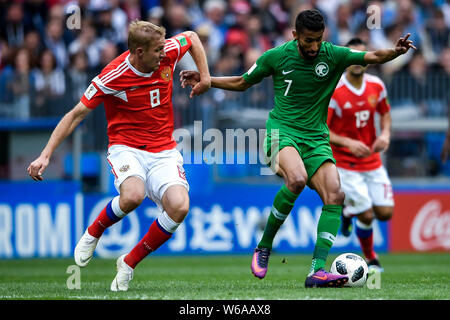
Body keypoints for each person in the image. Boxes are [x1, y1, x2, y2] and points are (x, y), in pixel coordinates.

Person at [180, 9, 415, 288]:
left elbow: (373, 57)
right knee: (297, 179)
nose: (314, 47)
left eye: (318, 39)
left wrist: (396, 52)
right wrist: (208, 81)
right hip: (281, 133)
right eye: (308, 41)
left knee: (335, 195)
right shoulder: (276, 56)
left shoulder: (334, 54)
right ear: (295, 35)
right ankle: (264, 245)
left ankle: (317, 270)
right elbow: (243, 82)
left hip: (316, 138)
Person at [27, 20, 211, 291]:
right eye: (157, 50)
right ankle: (94, 232)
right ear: (139, 52)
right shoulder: (113, 75)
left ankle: (128, 262)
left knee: (180, 206)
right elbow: (76, 114)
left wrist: (205, 77)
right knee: (133, 195)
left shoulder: (167, 51)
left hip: (163, 149)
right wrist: (45, 155)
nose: (164, 53)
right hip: (127, 147)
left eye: (164, 47)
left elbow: (193, 37)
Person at [327, 37, 394, 272]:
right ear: (346, 59)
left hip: (372, 161)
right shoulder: (335, 90)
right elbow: (321, 128)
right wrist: (347, 142)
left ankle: (347, 211)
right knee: (366, 214)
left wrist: (385, 134)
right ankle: (371, 259)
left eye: (362, 56)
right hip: (345, 164)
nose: (357, 61)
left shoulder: (377, 86)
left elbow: (385, 113)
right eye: (352, 55)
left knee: (385, 213)